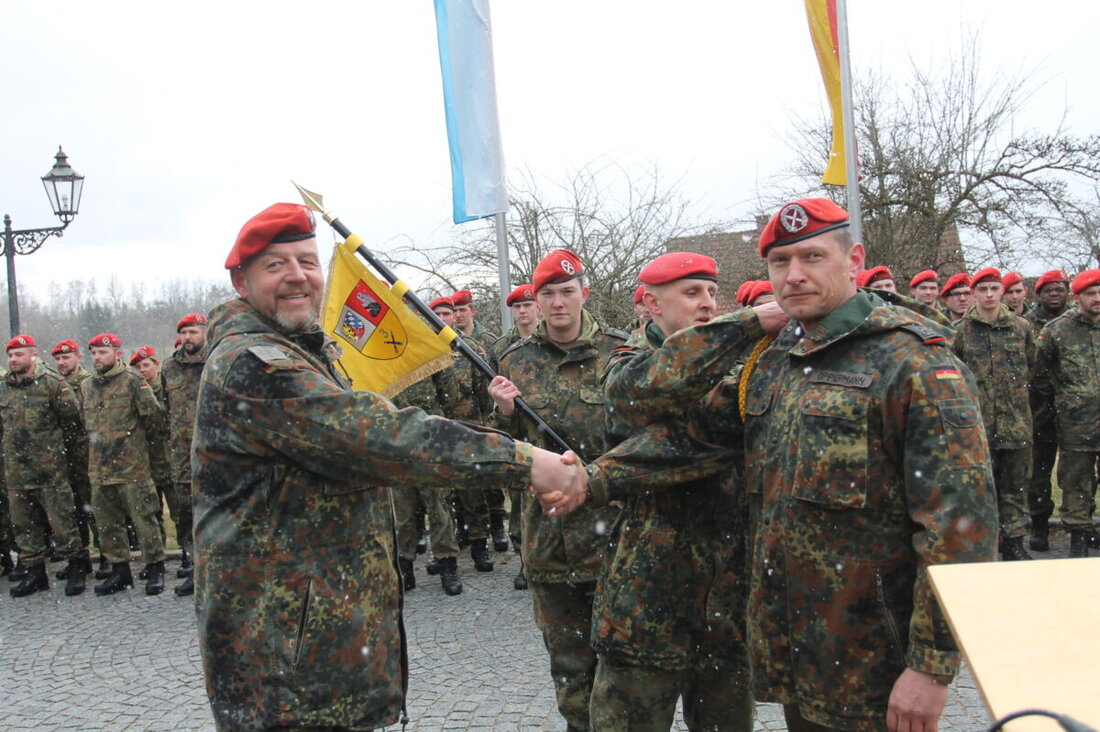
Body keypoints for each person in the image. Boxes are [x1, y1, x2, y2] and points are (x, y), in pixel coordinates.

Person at [602, 199, 997, 731]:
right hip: (799, 654)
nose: (795, 275)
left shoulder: (914, 361)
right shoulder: (775, 358)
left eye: (812, 256)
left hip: (873, 661)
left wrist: (931, 667)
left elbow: (960, 528)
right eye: (780, 262)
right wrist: (588, 478)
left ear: (852, 259)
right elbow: (692, 440)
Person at [192, 202, 585, 730]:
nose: (297, 277)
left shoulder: (298, 350)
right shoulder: (255, 363)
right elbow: (381, 437)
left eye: (307, 262)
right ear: (241, 282)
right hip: (282, 658)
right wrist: (524, 460)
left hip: (311, 642)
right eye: (275, 265)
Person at [590, 251, 775, 731]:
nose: (708, 304)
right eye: (692, 293)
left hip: (727, 589)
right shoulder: (625, 362)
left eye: (713, 293)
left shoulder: (746, 362)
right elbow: (655, 387)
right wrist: (747, 322)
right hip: (647, 590)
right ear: (650, 303)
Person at [488, 248, 625, 732]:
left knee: (622, 660)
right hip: (548, 538)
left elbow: (637, 440)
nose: (559, 302)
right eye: (548, 294)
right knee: (568, 664)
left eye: (568, 291)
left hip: (613, 536)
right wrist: (503, 414)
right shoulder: (514, 361)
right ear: (535, 300)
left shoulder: (620, 352)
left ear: (584, 293)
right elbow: (504, 449)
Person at [951, 268, 1036, 560]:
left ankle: (1014, 542)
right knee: (980, 488)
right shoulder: (960, 331)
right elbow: (954, 376)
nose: (989, 295)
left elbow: (1033, 366)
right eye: (983, 289)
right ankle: (985, 543)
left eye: (994, 289)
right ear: (973, 293)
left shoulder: (1021, 328)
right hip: (977, 425)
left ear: (1002, 291)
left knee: (1015, 486)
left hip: (1015, 422)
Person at [1, 335, 88, 597]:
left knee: (62, 522)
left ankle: (76, 566)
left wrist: (55, 452)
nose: (13, 360)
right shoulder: (4, 388)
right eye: (11, 355)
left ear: (32, 355)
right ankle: (35, 572)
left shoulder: (52, 384)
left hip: (49, 470)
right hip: (16, 472)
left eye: (19, 354)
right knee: (24, 526)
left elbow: (72, 422)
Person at [389, 295, 465, 596]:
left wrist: (438, 355)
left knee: (439, 504)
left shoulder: (425, 343)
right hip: (394, 439)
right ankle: (404, 567)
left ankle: (447, 564)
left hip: (430, 435)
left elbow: (450, 394)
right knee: (403, 509)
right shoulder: (377, 350)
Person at [83, 333, 169, 596]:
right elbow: (83, 421)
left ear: (117, 354)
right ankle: (120, 571)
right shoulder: (86, 385)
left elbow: (154, 418)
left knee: (144, 519)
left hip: (132, 467)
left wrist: (135, 448)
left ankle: (155, 567)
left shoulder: (133, 381)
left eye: (103, 353)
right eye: (95, 353)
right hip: (100, 468)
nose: (98, 358)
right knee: (107, 523)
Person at [1032, 269, 1100, 557]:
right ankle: (1079, 536)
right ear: (1078, 297)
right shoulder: (1058, 330)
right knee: (1076, 480)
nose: (1097, 298)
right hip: (1077, 421)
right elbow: (1038, 373)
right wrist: (1060, 402)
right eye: (1091, 294)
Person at [489, 283, 542, 589]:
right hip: (517, 433)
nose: (522, 311)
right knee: (519, 500)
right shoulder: (502, 349)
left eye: (527, 305)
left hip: (544, 429)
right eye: (517, 307)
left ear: (536, 307)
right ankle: (524, 559)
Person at [159, 312, 207, 596]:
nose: (188, 338)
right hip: (181, 457)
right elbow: (166, 407)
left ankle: (218, 572)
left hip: (214, 454)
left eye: (193, 332)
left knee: (217, 515)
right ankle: (192, 568)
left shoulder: (216, 362)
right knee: (185, 516)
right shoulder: (170, 369)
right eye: (184, 333)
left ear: (205, 333)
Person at [1025, 269, 1071, 550]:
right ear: (1039, 293)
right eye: (1049, 290)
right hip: (1037, 409)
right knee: (1039, 472)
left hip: (1076, 410)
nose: (1055, 294)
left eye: (1060, 289)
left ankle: (1080, 525)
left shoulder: (1080, 321)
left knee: (1078, 472)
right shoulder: (1026, 324)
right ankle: (1039, 524)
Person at [52, 338, 100, 574]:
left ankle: (107, 557)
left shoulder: (89, 383)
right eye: (58, 359)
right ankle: (79, 559)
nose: (62, 362)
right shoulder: (53, 385)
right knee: (71, 510)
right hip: (62, 457)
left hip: (86, 455)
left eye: (66, 357)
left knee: (93, 508)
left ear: (78, 358)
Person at [130, 346, 175, 555]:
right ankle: (157, 552)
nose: (142, 370)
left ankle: (187, 555)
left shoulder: (165, 388)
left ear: (157, 365)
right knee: (150, 513)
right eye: (138, 367)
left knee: (179, 512)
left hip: (169, 460)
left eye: (146, 365)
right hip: (145, 462)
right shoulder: (134, 392)